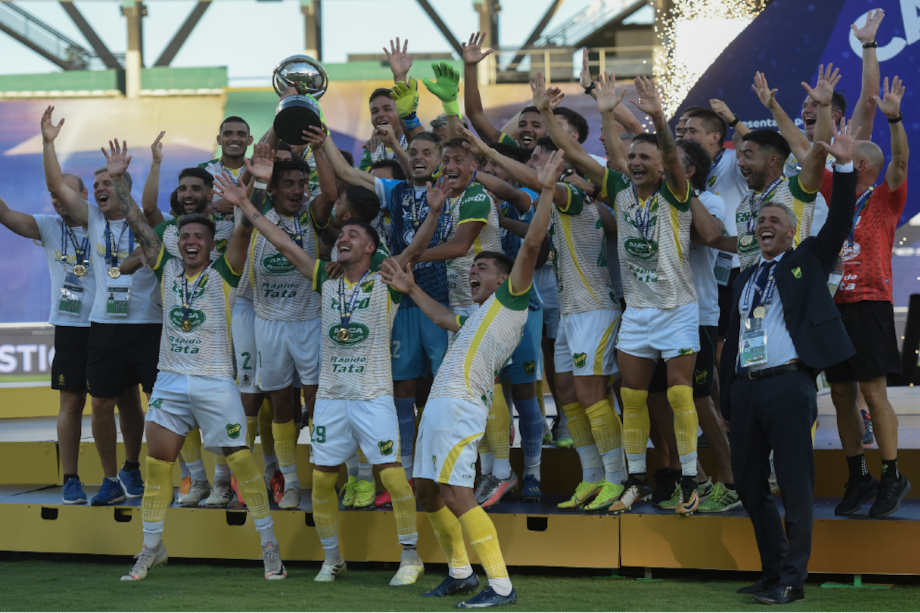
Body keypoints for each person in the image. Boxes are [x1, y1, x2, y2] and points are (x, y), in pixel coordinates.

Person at [223, 148, 443, 586]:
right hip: (330, 401)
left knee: (396, 481)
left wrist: (433, 214)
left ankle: (410, 557)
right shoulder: (325, 277)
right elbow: (283, 243)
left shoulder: (387, 281)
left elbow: (417, 247)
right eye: (342, 234)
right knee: (322, 483)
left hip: (372, 398)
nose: (343, 237)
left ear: (372, 247)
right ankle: (331, 558)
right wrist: (248, 204)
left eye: (354, 234)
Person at [379, 149, 563, 609]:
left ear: (506, 279)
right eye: (474, 266)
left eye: (484, 267)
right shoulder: (478, 315)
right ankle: (460, 573)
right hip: (441, 405)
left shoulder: (511, 303)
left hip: (460, 407)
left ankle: (501, 585)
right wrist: (411, 288)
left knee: (458, 494)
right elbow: (443, 317)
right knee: (426, 492)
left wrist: (544, 193)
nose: (474, 271)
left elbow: (534, 243)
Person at [97, 139, 285, 582]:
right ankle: (151, 547)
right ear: (176, 243)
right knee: (157, 465)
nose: (191, 241)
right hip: (170, 381)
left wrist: (256, 185)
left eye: (199, 236)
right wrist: (121, 180)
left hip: (216, 382)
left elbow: (243, 230)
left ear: (209, 243)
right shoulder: (164, 267)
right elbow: (139, 222)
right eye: (184, 236)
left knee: (240, 460)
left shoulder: (225, 273)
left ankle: (269, 547)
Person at [721, 123, 859, 605]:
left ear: (793, 230)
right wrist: (728, 397)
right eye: (763, 220)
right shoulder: (743, 280)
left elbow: (840, 220)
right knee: (750, 485)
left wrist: (843, 167)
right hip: (747, 389)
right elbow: (733, 340)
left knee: (795, 488)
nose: (767, 224)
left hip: (788, 384)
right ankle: (771, 570)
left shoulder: (806, 261)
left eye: (777, 219)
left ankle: (792, 581)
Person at [321, 128, 446, 509]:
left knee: (445, 392)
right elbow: (344, 169)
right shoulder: (394, 192)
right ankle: (398, 474)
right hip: (397, 303)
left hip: (439, 299)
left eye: (428, 151)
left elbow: (419, 247)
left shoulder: (444, 189)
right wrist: (319, 137)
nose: (420, 156)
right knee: (393, 390)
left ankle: (453, 474)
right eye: (415, 150)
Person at [41, 107, 155, 506]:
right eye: (97, 183)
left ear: (122, 186)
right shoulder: (90, 217)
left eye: (109, 182)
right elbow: (55, 183)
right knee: (102, 403)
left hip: (148, 324)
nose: (101, 187)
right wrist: (49, 142)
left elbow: (147, 227)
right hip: (103, 325)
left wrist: (120, 178)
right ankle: (111, 480)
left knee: (147, 403)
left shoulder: (142, 218)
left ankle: (140, 469)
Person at [826, 76, 912, 518]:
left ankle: (893, 474)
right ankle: (858, 474)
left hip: (871, 303)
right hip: (833, 305)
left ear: (860, 163)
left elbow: (900, 157)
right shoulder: (833, 194)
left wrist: (893, 116)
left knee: (873, 394)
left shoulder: (885, 198)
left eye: (847, 154)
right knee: (841, 395)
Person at [0, 175, 96, 505]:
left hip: (110, 326)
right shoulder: (49, 226)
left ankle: (119, 474)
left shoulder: (106, 223)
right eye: (53, 195)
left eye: (66, 193)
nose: (59, 200)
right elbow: (7, 215)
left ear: (84, 194)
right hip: (70, 329)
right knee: (71, 404)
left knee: (112, 403)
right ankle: (71, 479)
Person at [249, 154, 336, 509]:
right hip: (268, 322)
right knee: (280, 401)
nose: (298, 191)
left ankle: (322, 478)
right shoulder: (258, 217)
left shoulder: (310, 217)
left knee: (316, 401)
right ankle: (289, 481)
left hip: (309, 320)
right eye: (289, 183)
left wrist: (318, 148)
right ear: (272, 188)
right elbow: (246, 207)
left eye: (303, 183)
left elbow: (329, 194)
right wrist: (257, 179)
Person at [199, 116, 254, 217]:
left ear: (250, 140)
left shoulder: (257, 169)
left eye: (241, 134)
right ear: (219, 140)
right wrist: (213, 207)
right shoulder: (203, 170)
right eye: (228, 134)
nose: (234, 138)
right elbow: (180, 211)